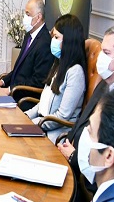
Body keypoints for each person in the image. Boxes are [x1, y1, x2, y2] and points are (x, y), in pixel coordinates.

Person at [57, 23, 114, 202]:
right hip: (70, 158)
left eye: (106, 53)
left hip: (88, 182)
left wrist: (73, 156)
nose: (100, 58)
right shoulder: (105, 82)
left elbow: (109, 157)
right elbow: (83, 122)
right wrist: (68, 143)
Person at [24, 14, 86, 143]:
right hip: (42, 125)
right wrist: (25, 117)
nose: (53, 41)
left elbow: (62, 116)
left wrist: (34, 124)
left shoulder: (75, 72)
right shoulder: (58, 63)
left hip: (55, 134)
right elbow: (43, 104)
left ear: (68, 40)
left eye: (57, 37)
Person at [0, 0, 55, 101]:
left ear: (38, 17)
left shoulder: (45, 43)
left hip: (25, 98)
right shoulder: (28, 36)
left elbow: (37, 81)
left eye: (28, 14)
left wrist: (10, 89)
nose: (25, 18)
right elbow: (18, 69)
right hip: (15, 90)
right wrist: (2, 82)